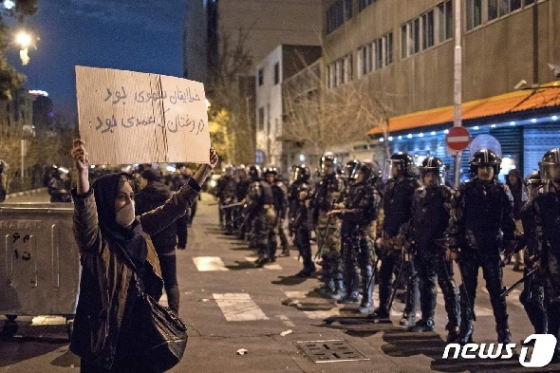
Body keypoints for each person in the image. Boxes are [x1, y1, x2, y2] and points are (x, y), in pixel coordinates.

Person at [70, 139, 218, 373]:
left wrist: (204, 171)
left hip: (139, 335)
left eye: (131, 196)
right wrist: (83, 174)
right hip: (104, 339)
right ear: (106, 201)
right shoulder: (96, 241)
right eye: (121, 197)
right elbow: (84, 215)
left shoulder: (140, 227)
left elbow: (176, 206)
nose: (129, 202)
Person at [448, 149, 517, 344]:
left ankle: (503, 331)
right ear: (475, 169)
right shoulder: (465, 189)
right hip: (468, 249)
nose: (484, 171)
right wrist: (453, 245)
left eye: (488, 167)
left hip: (492, 248)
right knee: (467, 292)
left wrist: (510, 244)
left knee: (497, 291)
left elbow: (508, 221)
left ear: (495, 169)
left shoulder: (502, 191)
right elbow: (456, 220)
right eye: (481, 168)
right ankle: (466, 330)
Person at [407, 157, 460, 341]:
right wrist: (410, 238)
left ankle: (454, 324)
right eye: (427, 174)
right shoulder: (418, 194)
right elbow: (413, 218)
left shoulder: (448, 194)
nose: (431, 178)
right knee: (425, 283)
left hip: (439, 245)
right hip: (422, 245)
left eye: (434, 174)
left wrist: (449, 244)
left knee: (447, 285)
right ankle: (427, 319)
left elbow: (454, 221)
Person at [328, 160, 380, 313]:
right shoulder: (355, 189)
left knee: (365, 266)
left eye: (362, 173)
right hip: (350, 231)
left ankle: (367, 299)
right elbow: (351, 206)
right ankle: (352, 292)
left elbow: (362, 213)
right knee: (348, 263)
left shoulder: (372, 192)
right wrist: (341, 207)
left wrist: (341, 213)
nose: (358, 176)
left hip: (364, 233)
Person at [375, 152, 421, 327]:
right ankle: (383, 308)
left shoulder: (413, 187)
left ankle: (409, 312)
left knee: (410, 276)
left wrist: (406, 235)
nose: (392, 169)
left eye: (395, 165)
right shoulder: (392, 186)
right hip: (390, 237)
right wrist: (383, 232)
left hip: (405, 240)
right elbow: (387, 213)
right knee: (384, 273)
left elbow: (415, 214)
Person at [134, 169, 183, 314]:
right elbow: (180, 217)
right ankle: (174, 315)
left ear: (146, 180)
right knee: (171, 282)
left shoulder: (139, 197)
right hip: (168, 244)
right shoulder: (169, 195)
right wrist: (182, 238)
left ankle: (152, 315)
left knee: (150, 282)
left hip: (148, 246)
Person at [530, 148, 560, 360]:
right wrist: (539, 258)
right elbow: (539, 230)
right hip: (551, 256)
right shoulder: (542, 197)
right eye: (554, 167)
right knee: (552, 303)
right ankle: (553, 344)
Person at [310, 152, 346, 298]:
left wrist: (316, 201)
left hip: (332, 224)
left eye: (329, 165)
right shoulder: (322, 181)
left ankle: (338, 286)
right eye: (324, 165)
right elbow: (316, 201)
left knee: (335, 256)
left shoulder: (336, 182)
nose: (325, 168)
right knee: (325, 255)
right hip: (322, 222)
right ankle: (328, 283)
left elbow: (329, 203)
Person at [518, 170, 547, 335]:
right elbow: (528, 234)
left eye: (536, 187)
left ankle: (546, 335)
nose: (532, 191)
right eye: (530, 187)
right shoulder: (528, 208)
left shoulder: (548, 206)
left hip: (543, 259)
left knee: (537, 299)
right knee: (528, 298)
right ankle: (541, 332)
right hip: (531, 258)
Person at [244, 165, 277, 266]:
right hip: (271, 211)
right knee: (271, 233)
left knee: (260, 234)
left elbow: (254, 201)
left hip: (262, 212)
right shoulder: (266, 185)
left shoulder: (256, 185)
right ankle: (271, 254)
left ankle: (263, 256)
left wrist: (247, 212)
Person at [290, 182, 316, 277]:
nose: (302, 193)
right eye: (301, 191)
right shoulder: (299, 202)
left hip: (305, 227)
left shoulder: (308, 202)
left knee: (305, 248)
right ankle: (309, 265)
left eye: (304, 191)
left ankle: (308, 267)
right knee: (300, 245)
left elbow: (305, 215)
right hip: (301, 226)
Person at [264, 167, 290, 257]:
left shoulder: (278, 187)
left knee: (279, 230)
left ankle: (285, 248)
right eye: (268, 176)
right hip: (270, 211)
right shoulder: (266, 186)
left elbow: (283, 202)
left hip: (278, 211)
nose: (270, 178)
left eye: (271, 176)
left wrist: (282, 215)